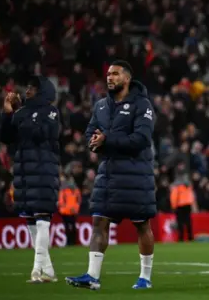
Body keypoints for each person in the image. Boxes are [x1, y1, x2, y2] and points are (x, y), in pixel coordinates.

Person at [65, 60, 156, 290]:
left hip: (136, 175)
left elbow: (141, 140)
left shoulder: (142, 105)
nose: (109, 77)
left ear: (126, 78)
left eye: (115, 74)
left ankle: (145, 278)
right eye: (108, 74)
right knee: (98, 222)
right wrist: (93, 142)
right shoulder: (101, 106)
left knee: (142, 226)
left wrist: (108, 140)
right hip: (108, 174)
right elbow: (90, 132)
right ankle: (92, 276)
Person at [0, 76, 60, 283]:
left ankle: (36, 270)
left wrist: (20, 117)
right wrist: (8, 114)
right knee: (32, 223)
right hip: (24, 173)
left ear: (43, 91)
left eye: (33, 87)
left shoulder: (51, 112)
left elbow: (42, 133)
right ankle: (48, 271)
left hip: (43, 171)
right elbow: (5, 137)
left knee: (42, 221)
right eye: (29, 86)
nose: (28, 90)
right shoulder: (21, 113)